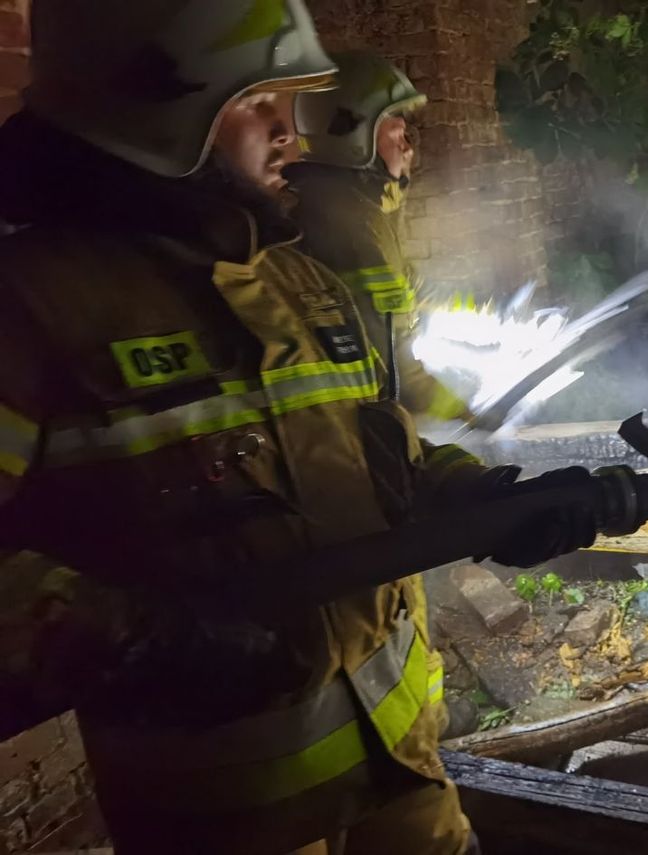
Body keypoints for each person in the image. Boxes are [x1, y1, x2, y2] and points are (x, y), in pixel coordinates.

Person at [0, 1, 592, 852]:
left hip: (403, 774)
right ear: (152, 107)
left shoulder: (302, 285)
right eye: (255, 102)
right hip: (231, 820)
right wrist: (138, 638)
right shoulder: (32, 309)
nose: (292, 134)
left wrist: (488, 499)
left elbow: (379, 454)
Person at [288, 51, 474, 424]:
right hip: (368, 418)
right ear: (353, 135)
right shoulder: (352, 223)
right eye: (398, 134)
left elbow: (398, 292)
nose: (408, 149)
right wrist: (464, 413)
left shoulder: (334, 204)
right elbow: (395, 364)